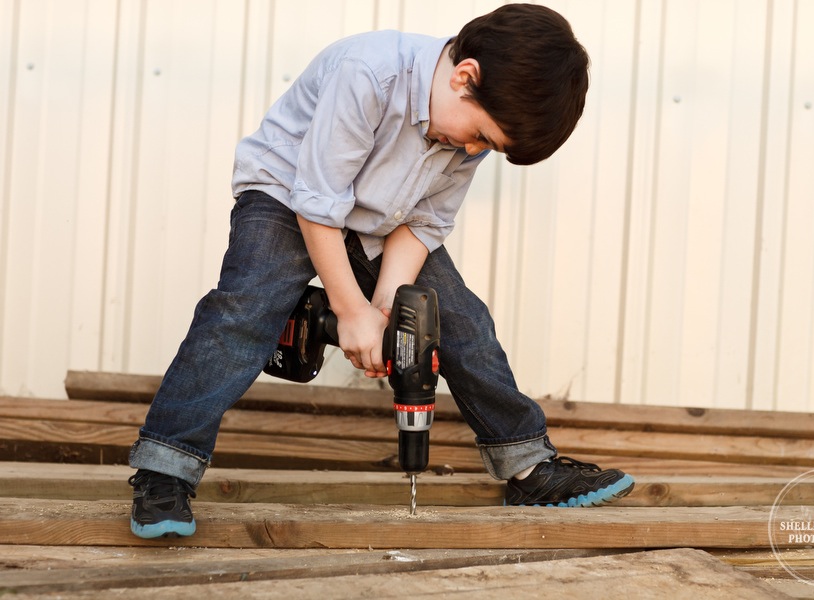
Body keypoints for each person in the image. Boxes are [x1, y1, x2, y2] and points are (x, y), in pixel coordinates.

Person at [128, 3, 635, 539]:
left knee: (463, 324)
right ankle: (167, 468)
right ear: (466, 77)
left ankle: (527, 465)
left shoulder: (470, 122)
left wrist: (389, 308)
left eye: (489, 147)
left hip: (379, 222)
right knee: (244, 310)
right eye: (482, 136)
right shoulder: (369, 73)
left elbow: (424, 220)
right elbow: (318, 205)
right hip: (286, 196)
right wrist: (350, 313)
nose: (473, 150)